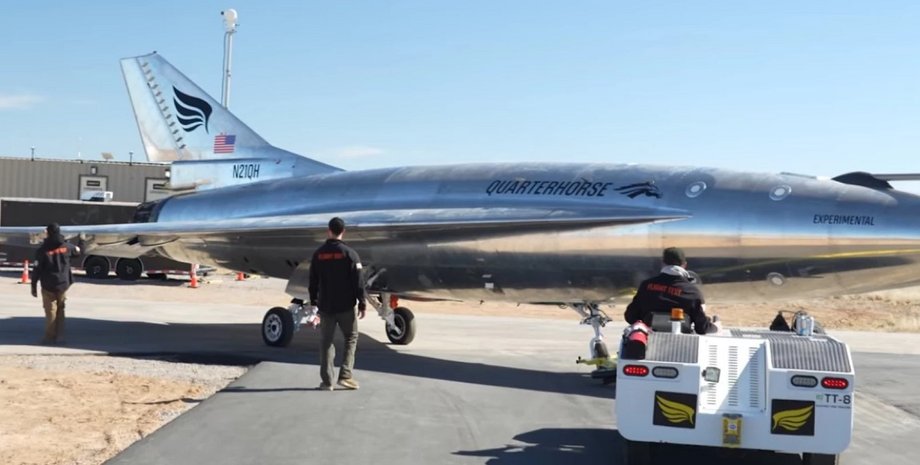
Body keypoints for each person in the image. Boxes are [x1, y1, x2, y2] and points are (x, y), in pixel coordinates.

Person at [308, 217, 367, 391]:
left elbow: (312, 282)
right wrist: (362, 303)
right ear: (343, 232)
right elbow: (358, 282)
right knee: (351, 337)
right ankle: (345, 376)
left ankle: (327, 382)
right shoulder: (351, 254)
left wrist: (314, 303)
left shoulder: (318, 254)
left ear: (329, 231)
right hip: (346, 307)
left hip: (326, 307)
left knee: (326, 342)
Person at [624, 247, 720, 335]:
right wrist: (716, 326)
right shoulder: (692, 292)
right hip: (682, 344)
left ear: (662, 263)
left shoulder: (646, 286)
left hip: (648, 342)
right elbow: (702, 328)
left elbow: (630, 316)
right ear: (684, 265)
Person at [30, 223, 81, 344]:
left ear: (48, 232)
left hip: (48, 285)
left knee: (50, 311)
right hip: (63, 284)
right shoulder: (67, 247)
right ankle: (60, 336)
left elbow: (37, 269)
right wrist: (82, 241)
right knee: (61, 310)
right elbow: (78, 252)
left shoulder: (42, 250)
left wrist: (33, 286)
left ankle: (49, 337)